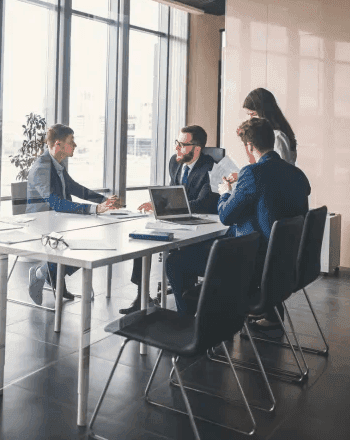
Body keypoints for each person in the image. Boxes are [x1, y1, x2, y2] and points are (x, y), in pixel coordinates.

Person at [213, 117, 310, 333]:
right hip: (289, 260)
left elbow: (226, 216)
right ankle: (271, 313)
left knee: (181, 261)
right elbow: (275, 205)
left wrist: (225, 193)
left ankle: (211, 327)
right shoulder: (297, 174)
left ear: (249, 146)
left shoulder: (252, 172)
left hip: (259, 263)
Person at [123, 125, 219, 314]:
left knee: (178, 260)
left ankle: (186, 306)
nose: (176, 148)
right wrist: (158, 204)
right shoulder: (174, 163)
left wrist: (168, 207)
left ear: (196, 149)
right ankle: (142, 297)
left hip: (200, 223)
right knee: (143, 238)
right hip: (175, 218)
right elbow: (172, 192)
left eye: (182, 145)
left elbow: (203, 203)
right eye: (177, 143)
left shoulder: (210, 168)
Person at [26, 124, 120, 304]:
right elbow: (55, 203)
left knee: (87, 248)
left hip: (58, 222)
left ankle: (50, 274)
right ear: (59, 144)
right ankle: (41, 273)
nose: (75, 145)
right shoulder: (41, 168)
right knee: (79, 248)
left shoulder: (57, 165)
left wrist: (103, 201)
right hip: (41, 225)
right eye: (72, 141)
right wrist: (93, 209)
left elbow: (75, 188)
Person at [243, 87, 298, 164]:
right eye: (248, 115)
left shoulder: (278, 137)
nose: (250, 120)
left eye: (253, 114)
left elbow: (279, 172)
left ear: (264, 113)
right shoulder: (266, 135)